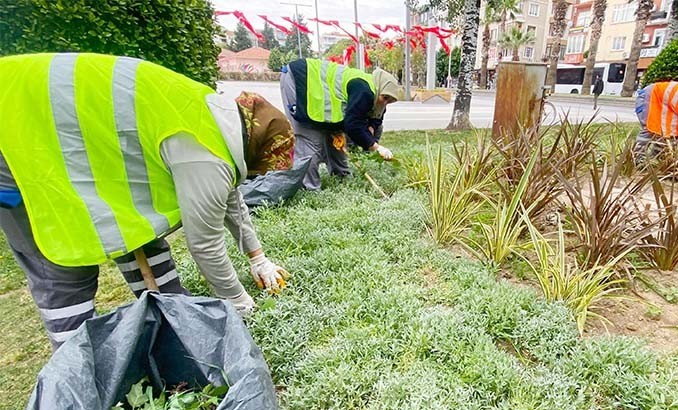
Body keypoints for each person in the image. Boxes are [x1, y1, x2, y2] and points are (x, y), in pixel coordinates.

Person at [0, 53, 293, 349]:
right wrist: (236, 301)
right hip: (17, 129)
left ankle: (173, 317)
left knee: (139, 229)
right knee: (63, 263)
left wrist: (258, 258)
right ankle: (78, 369)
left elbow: (232, 200)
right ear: (260, 150)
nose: (263, 172)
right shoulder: (206, 154)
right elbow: (205, 243)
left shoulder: (218, 123)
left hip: (59, 125)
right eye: (268, 164)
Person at [282, 58, 400, 192]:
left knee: (336, 137)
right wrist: (375, 147)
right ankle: (310, 190)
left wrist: (371, 128)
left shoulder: (378, 93)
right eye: (385, 98)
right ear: (380, 89)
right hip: (302, 80)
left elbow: (377, 116)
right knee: (311, 139)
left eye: (390, 101)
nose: (385, 103)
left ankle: (341, 176)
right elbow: (353, 126)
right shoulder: (364, 90)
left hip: (322, 96)